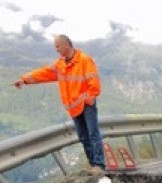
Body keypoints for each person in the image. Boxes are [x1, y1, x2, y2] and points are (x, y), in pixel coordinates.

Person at [13, 34, 106, 173]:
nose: (56, 49)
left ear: (67, 45)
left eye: (58, 46)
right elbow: (44, 73)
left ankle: (99, 165)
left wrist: (91, 96)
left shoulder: (84, 60)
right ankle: (93, 165)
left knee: (93, 134)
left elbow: (94, 81)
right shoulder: (60, 64)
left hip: (86, 103)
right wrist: (24, 80)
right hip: (74, 107)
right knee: (83, 137)